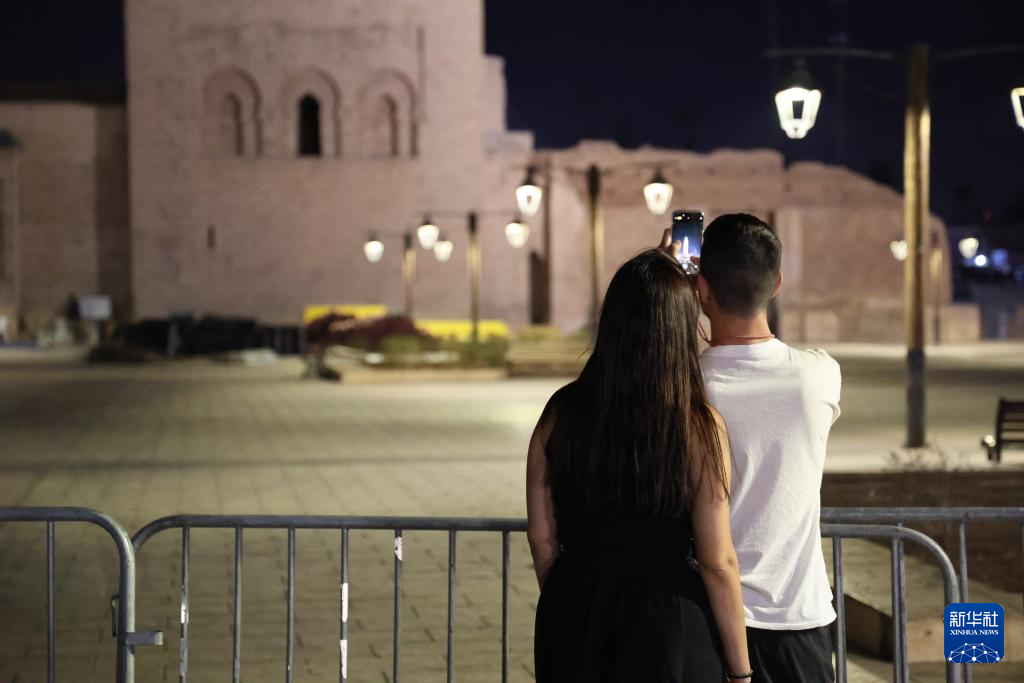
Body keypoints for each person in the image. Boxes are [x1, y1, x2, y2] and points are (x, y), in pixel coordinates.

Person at [527, 249, 753, 682]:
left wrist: (575, 600)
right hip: (669, 621)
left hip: (573, 609)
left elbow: (541, 538)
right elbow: (717, 561)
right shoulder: (697, 424)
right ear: (681, 331)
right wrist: (741, 671)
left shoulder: (560, 411)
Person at [663, 213, 841, 683]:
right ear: (776, 283)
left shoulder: (682, 388)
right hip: (799, 617)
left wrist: (666, 278)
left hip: (705, 619)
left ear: (700, 287)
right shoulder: (819, 375)